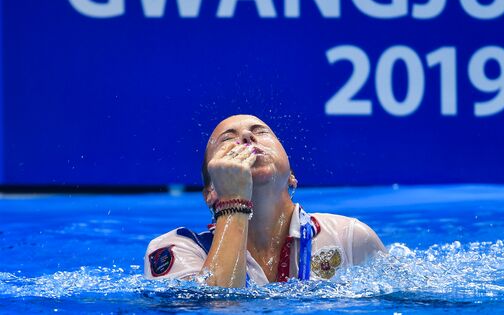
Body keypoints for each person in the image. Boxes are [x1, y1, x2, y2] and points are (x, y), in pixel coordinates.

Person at [144, 115, 385, 287]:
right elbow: (220, 307)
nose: (247, 137)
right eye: (228, 139)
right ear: (210, 192)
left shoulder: (349, 238)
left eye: (260, 132)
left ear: (291, 175)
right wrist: (233, 202)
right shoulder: (177, 250)